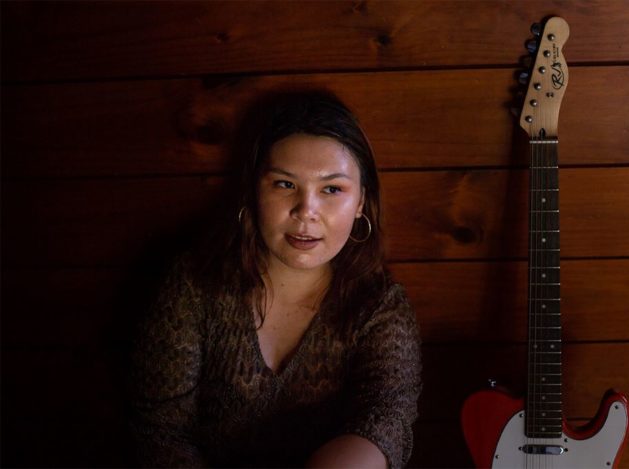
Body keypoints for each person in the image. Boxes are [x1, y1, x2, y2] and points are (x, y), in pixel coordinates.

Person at [129, 91, 422, 468]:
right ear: (254, 191)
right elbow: (160, 429)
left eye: (332, 189)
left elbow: (386, 421)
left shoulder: (378, 305)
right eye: (284, 184)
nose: (306, 211)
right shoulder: (195, 284)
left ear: (361, 202)